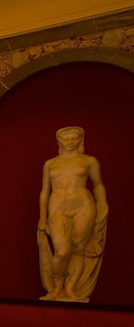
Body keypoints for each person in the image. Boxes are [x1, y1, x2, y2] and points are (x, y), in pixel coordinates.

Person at [37, 126, 108, 302]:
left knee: (78, 249)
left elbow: (98, 184)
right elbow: (45, 191)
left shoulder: (90, 161)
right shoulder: (50, 163)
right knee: (61, 251)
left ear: (80, 140)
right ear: (59, 141)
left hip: (83, 206)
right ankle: (56, 287)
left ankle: (70, 288)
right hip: (58, 207)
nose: (70, 142)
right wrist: (42, 216)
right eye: (66, 139)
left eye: (74, 138)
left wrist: (102, 204)